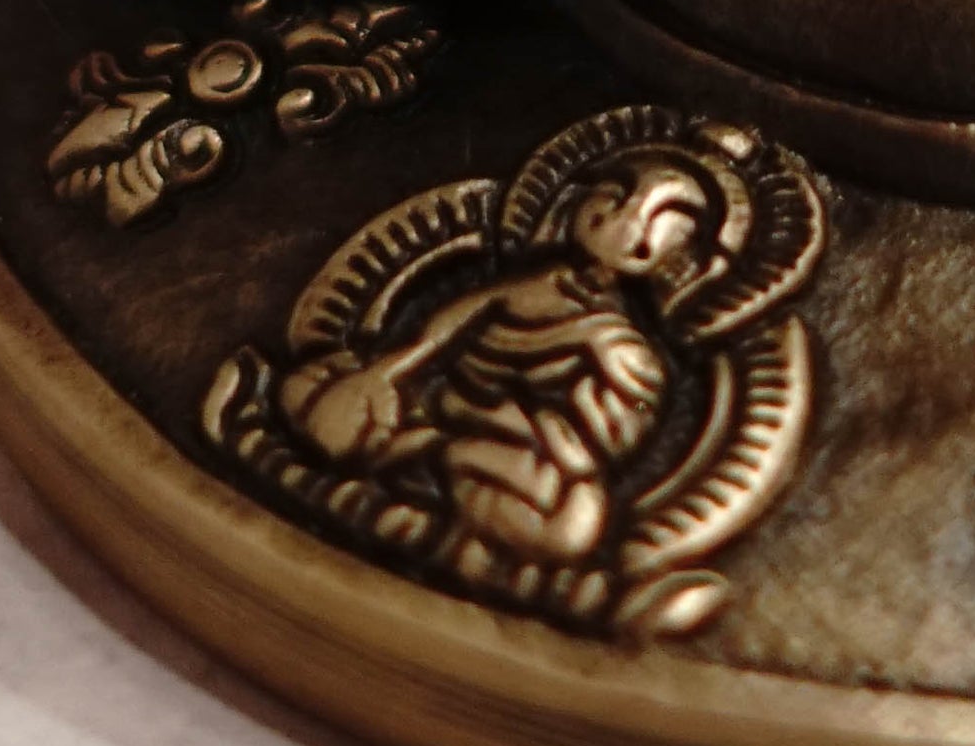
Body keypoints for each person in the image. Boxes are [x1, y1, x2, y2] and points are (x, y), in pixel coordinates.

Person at [271, 147, 720, 571]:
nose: (621, 215)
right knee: (305, 385)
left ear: (657, 256)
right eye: (617, 193)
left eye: (651, 221)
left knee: (572, 525)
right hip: (430, 408)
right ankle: (417, 464)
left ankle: (428, 467)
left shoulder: (625, 346)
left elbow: (604, 438)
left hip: (512, 454)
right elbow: (447, 327)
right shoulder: (537, 282)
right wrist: (383, 373)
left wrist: (514, 423)